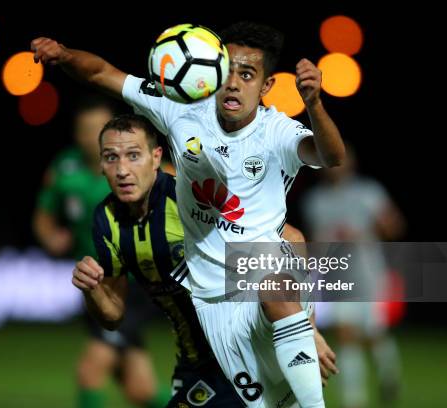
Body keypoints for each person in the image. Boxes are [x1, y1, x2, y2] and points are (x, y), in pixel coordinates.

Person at [31, 20, 344, 407]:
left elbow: (331, 157)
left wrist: (313, 103)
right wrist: (62, 56)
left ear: (265, 87)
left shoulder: (277, 132)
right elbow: (100, 73)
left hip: (259, 278)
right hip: (214, 305)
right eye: (227, 70)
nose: (232, 83)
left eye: (246, 75)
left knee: (274, 284)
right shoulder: (181, 111)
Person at [72, 114, 336, 406]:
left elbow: (292, 238)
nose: (122, 169)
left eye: (133, 155)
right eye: (111, 158)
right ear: (100, 164)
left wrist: (307, 328)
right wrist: (92, 289)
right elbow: (113, 317)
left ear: (155, 157)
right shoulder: (106, 219)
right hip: (196, 363)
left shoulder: (189, 199)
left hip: (244, 346)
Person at [33, 95, 167, 408]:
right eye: (85, 130)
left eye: (98, 129)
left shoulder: (136, 172)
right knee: (141, 391)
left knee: (89, 373)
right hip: (95, 286)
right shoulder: (64, 168)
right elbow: (43, 215)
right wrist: (50, 236)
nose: (91, 138)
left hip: (131, 286)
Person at [302, 147, 405, 408]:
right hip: (336, 276)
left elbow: (394, 226)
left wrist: (367, 231)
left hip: (369, 274)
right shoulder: (315, 200)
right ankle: (354, 399)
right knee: (346, 334)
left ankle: (388, 374)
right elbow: (314, 241)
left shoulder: (368, 192)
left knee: (374, 334)